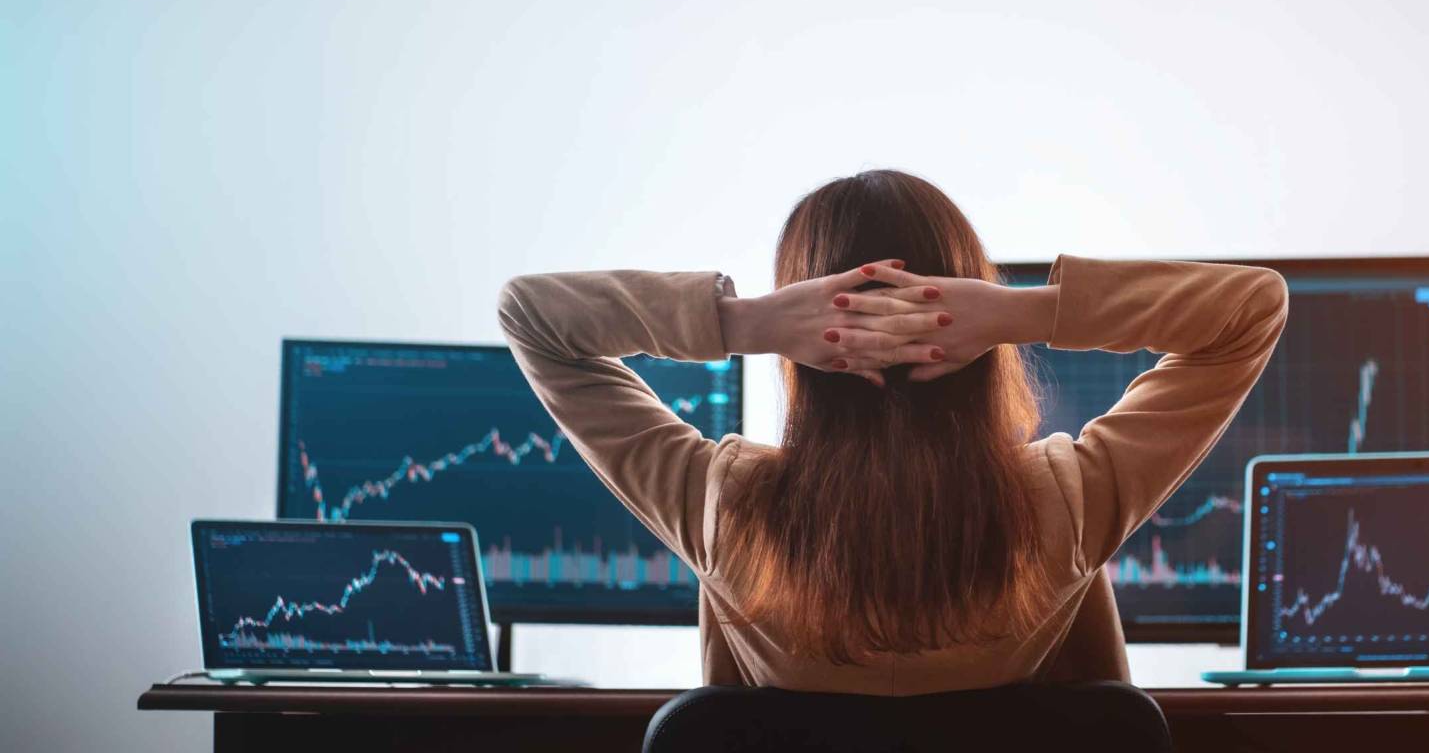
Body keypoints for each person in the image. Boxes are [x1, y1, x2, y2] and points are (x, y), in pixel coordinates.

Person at [497, 169, 1288, 695]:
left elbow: (531, 316)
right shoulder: (1067, 503)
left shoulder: (722, 505)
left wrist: (745, 322)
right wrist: (1021, 311)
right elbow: (1250, 310)